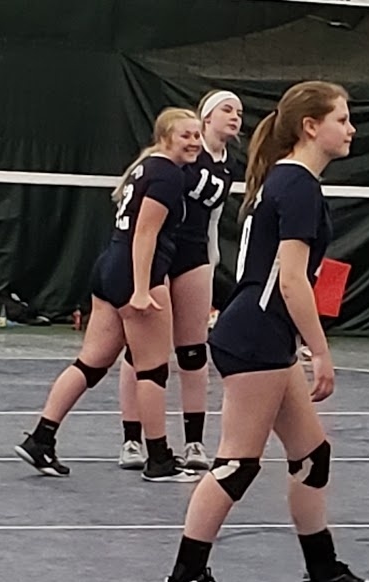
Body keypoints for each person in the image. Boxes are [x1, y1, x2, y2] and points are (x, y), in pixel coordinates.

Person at [155, 81, 369, 582]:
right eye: (342, 119)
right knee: (237, 463)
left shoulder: (286, 180)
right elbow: (291, 282)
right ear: (311, 126)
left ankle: (323, 572)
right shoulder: (298, 185)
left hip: (264, 333)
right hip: (256, 335)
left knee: (312, 454)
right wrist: (321, 351)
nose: (350, 130)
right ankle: (184, 578)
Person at [14, 108, 202, 482]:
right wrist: (141, 289)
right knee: (152, 370)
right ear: (166, 137)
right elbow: (146, 233)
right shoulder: (166, 174)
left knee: (91, 362)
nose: (195, 142)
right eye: (186, 135)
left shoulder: (146, 167)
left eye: (197, 135)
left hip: (109, 266)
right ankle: (160, 459)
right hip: (134, 273)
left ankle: (40, 438)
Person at [118, 90, 243, 471]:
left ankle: (193, 443)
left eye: (239, 111)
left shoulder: (227, 166)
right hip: (160, 250)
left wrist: (212, 259)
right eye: (226, 109)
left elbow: (216, 218)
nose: (235, 117)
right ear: (205, 118)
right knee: (141, 353)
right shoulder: (185, 152)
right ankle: (132, 440)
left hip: (193, 255)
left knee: (193, 352)